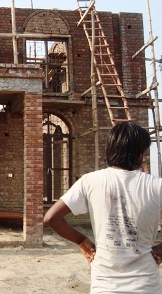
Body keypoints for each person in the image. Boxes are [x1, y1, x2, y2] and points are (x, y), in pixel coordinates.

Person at [44, 122, 162, 293]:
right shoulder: (156, 185)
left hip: (104, 284)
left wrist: (82, 241)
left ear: (110, 148)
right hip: (146, 284)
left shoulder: (90, 181)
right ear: (141, 152)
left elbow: (51, 218)